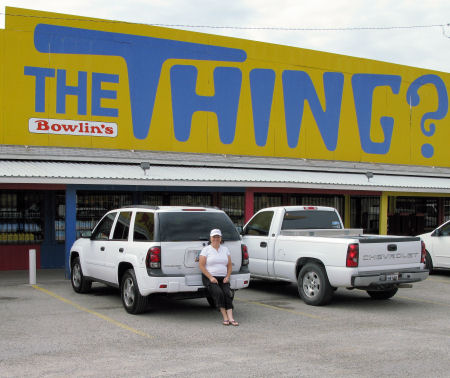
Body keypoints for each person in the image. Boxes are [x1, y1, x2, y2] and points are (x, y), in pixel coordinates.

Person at [199, 228, 239, 326]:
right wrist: (211, 277)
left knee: (227, 293)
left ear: (221, 238)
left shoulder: (225, 249)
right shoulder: (206, 250)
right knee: (219, 293)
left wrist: (227, 276)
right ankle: (225, 317)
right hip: (210, 277)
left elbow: (229, 265)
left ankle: (231, 318)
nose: (216, 238)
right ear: (210, 238)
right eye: (214, 237)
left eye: (218, 236)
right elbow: (201, 266)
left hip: (223, 277)